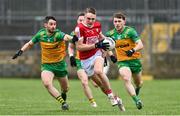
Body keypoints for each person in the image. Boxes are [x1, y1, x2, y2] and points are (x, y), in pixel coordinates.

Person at [12, 16, 78, 110]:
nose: (53, 26)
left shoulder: (58, 34)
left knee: (65, 88)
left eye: (55, 24)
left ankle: (63, 94)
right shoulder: (41, 34)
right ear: (45, 25)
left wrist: (73, 38)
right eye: (51, 24)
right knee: (47, 83)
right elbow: (30, 44)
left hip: (60, 65)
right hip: (47, 65)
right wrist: (20, 51)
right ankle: (63, 103)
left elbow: (66, 37)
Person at [74, 7, 125, 110]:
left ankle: (111, 96)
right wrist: (96, 45)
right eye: (88, 18)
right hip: (85, 60)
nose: (91, 21)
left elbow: (101, 38)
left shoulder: (97, 25)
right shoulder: (79, 29)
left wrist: (110, 45)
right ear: (84, 18)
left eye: (93, 19)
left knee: (99, 71)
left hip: (97, 54)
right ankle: (117, 98)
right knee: (100, 85)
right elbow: (79, 47)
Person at [106, 11, 143, 110]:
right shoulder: (110, 34)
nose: (117, 23)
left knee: (139, 83)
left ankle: (138, 88)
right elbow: (106, 46)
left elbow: (140, 44)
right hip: (122, 61)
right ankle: (137, 100)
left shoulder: (130, 31)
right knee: (126, 78)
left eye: (119, 21)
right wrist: (111, 55)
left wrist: (133, 50)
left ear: (124, 22)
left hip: (135, 60)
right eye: (115, 21)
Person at [68, 12, 98, 107]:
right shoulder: (74, 33)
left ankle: (112, 96)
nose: (81, 21)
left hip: (92, 59)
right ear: (77, 21)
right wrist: (71, 56)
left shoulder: (92, 30)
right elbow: (71, 47)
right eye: (79, 20)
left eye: (82, 20)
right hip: (79, 60)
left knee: (98, 84)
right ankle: (93, 103)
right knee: (84, 82)